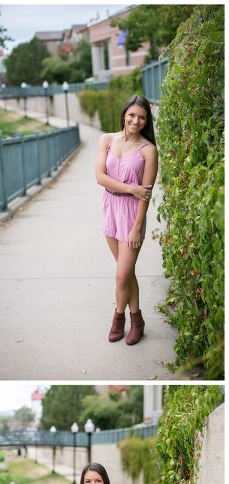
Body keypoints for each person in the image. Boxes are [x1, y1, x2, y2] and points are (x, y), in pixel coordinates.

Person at [95, 95, 159, 345]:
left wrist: (136, 229)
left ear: (146, 121)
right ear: (124, 114)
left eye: (141, 117)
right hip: (110, 207)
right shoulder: (107, 140)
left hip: (133, 214)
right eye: (132, 115)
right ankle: (138, 320)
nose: (136, 120)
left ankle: (118, 318)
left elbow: (146, 193)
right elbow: (100, 177)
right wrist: (131, 188)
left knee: (122, 276)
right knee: (127, 271)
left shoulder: (148, 150)